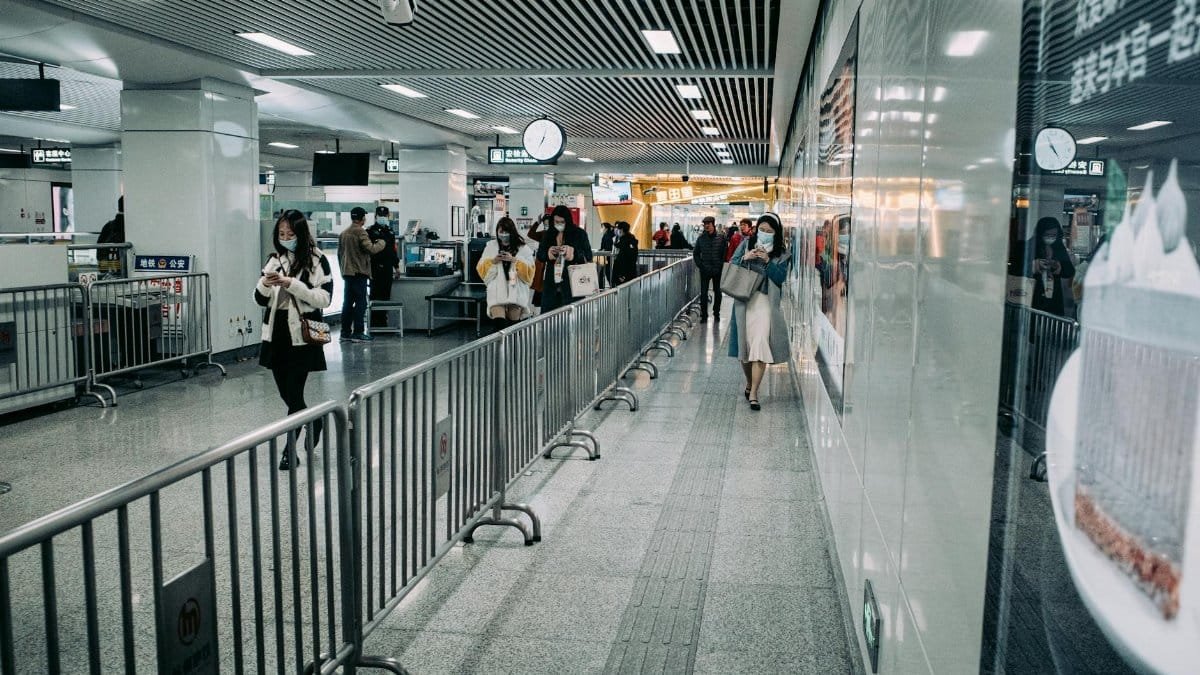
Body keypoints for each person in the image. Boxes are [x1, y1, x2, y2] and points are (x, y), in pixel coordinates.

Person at [254, 209, 333, 470]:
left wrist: (291, 284)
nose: (285, 237)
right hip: (275, 334)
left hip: (302, 335)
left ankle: (290, 450)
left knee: (295, 391)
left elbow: (324, 298)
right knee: (288, 396)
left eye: (290, 233)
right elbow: (259, 299)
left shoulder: (317, 260)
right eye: (281, 233)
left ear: (301, 234)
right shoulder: (274, 260)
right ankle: (316, 420)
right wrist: (267, 282)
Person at [728, 213, 791, 411]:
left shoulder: (782, 253)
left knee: (760, 343)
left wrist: (767, 262)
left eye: (769, 232)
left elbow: (780, 279)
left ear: (776, 234)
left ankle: (754, 392)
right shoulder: (746, 244)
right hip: (745, 302)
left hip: (765, 303)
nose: (764, 234)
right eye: (762, 230)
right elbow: (732, 267)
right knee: (744, 350)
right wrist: (746, 258)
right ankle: (749, 382)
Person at [337, 206, 385, 342]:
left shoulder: (344, 233)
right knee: (361, 303)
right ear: (362, 218)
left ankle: (345, 332)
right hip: (359, 272)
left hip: (347, 273)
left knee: (347, 303)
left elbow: (339, 254)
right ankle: (358, 332)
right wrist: (382, 243)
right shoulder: (361, 232)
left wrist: (343, 270)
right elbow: (371, 249)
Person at [477, 217, 535, 324]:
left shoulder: (523, 249)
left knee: (513, 326)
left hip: (516, 289)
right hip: (497, 290)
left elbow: (530, 272)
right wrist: (494, 261)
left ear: (512, 232)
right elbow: (481, 268)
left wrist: (514, 260)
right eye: (501, 232)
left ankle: (513, 341)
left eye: (506, 232)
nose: (503, 234)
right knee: (499, 324)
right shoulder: (491, 246)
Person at [536, 205, 593, 312]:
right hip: (551, 286)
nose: (558, 224)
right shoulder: (549, 235)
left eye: (561, 221)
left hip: (574, 285)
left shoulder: (579, 234)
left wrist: (573, 254)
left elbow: (588, 256)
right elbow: (540, 255)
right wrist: (549, 253)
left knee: (572, 319)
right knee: (549, 320)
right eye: (556, 221)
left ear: (567, 220)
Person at [1026, 216, 1075, 317]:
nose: (1050, 237)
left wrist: (1058, 266)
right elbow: (1017, 268)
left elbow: (1069, 271)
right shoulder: (1030, 245)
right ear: (1040, 234)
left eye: (1054, 235)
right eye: (1047, 235)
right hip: (1033, 293)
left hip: (1053, 296)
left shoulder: (1059, 247)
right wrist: (1035, 265)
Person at [366, 206, 399, 329]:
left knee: (386, 295)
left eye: (385, 216)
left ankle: (383, 322)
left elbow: (393, 251)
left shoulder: (390, 231)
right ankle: (375, 323)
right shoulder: (370, 231)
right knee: (375, 295)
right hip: (375, 268)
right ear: (375, 216)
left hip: (387, 268)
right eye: (380, 216)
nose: (383, 218)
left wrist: (396, 266)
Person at [693, 216, 726, 323]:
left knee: (718, 292)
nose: (706, 226)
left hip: (717, 269)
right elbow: (696, 254)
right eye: (705, 224)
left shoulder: (721, 238)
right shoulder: (701, 238)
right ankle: (704, 315)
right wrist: (701, 266)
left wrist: (721, 265)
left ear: (713, 224)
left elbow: (724, 253)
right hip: (705, 270)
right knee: (703, 293)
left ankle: (716, 313)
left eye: (708, 224)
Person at [611, 220, 640, 285]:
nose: (616, 231)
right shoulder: (631, 240)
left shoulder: (625, 242)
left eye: (617, 229)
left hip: (623, 274)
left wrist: (622, 275)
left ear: (621, 230)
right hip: (630, 272)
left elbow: (624, 259)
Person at [598, 221, 616, 288]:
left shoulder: (607, 236)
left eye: (602, 227)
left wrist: (602, 250)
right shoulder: (608, 235)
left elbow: (607, 247)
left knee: (605, 272)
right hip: (606, 256)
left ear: (606, 228)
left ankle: (602, 287)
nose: (601, 229)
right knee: (605, 272)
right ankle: (610, 285)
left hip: (606, 256)